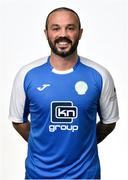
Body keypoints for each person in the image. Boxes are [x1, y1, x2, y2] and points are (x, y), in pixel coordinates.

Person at [9, 7, 119, 179]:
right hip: (38, 175)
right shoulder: (27, 75)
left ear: (80, 33)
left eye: (70, 28)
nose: (63, 34)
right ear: (46, 33)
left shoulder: (100, 75)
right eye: (56, 28)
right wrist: (42, 144)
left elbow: (109, 123)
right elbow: (18, 121)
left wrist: (84, 143)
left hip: (85, 175)